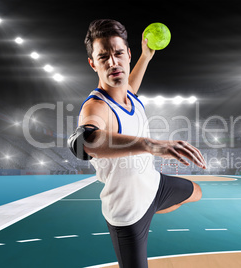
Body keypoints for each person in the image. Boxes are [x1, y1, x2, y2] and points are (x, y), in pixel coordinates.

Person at [69, 19, 206, 268]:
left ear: (128, 54)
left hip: (154, 186)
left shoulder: (128, 93)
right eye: (103, 57)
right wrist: (150, 145)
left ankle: (151, 209)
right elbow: (87, 141)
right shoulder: (97, 106)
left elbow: (129, 85)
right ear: (93, 63)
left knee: (196, 191)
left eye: (118, 53)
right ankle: (145, 216)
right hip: (128, 213)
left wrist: (146, 56)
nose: (113, 62)